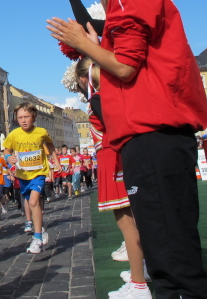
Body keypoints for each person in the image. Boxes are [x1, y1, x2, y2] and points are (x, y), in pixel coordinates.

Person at [48, 0, 207, 298]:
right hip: (160, 132)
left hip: (151, 133)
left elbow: (125, 66)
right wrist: (94, 44)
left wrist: (81, 43)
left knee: (169, 256)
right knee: (172, 247)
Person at [75, 57, 149, 297]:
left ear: (85, 79)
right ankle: (143, 270)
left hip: (112, 160)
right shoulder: (110, 95)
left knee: (127, 224)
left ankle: (139, 285)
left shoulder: (97, 99)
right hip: (117, 158)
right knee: (135, 221)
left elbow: (115, 128)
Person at [2, 102, 60, 254]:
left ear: (33, 117)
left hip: (39, 173)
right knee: (32, 204)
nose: (23, 120)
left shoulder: (41, 132)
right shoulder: (14, 134)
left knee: (34, 202)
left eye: (26, 117)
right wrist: (8, 158)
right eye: (20, 117)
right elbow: (6, 150)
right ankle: (41, 225)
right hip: (23, 175)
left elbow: (50, 145)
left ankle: (37, 238)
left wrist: (56, 161)